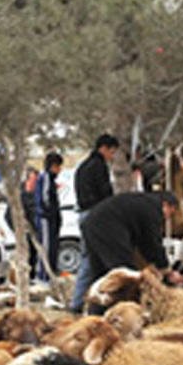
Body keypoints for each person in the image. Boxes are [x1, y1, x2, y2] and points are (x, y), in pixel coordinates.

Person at [81, 191, 183, 287]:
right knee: (125, 273)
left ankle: (84, 305)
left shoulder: (142, 202)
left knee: (99, 272)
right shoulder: (153, 210)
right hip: (109, 227)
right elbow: (152, 242)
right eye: (170, 213)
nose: (167, 218)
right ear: (166, 205)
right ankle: (124, 303)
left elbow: (144, 243)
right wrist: (165, 268)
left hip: (92, 222)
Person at [70, 134, 119, 312]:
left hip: (84, 214)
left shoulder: (83, 166)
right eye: (111, 152)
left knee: (87, 259)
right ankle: (82, 303)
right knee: (94, 261)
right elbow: (105, 194)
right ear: (103, 148)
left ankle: (78, 301)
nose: (112, 157)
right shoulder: (99, 167)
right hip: (96, 216)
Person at [33, 152, 64, 280]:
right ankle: (43, 275)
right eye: (58, 166)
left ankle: (50, 273)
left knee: (53, 247)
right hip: (46, 218)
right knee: (46, 247)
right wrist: (50, 212)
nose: (59, 170)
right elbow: (45, 198)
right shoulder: (45, 178)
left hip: (51, 218)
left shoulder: (51, 180)